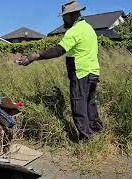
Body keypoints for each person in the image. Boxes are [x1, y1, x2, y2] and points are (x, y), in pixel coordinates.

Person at [15, 0, 103, 141]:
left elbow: (58, 50)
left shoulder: (74, 31)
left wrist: (35, 56)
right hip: (93, 72)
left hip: (81, 73)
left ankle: (87, 138)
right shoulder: (88, 28)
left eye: (64, 16)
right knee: (90, 103)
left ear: (71, 15)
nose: (63, 19)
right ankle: (96, 130)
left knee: (78, 105)